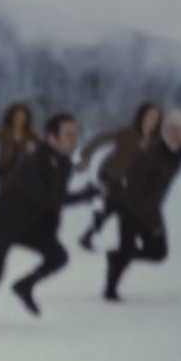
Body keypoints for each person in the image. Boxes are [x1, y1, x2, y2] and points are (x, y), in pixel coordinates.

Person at [0, 113, 100, 332]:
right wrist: (83, 195)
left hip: (29, 225)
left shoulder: (63, 163)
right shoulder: (34, 160)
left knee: (58, 257)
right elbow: (47, 199)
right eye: (68, 135)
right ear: (51, 137)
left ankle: (24, 286)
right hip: (2, 224)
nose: (74, 140)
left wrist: (89, 193)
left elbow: (54, 200)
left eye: (75, 134)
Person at [103, 109, 181, 301]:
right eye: (175, 129)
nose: (179, 134)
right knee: (127, 249)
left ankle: (116, 257)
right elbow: (134, 189)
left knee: (158, 252)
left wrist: (154, 215)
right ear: (166, 129)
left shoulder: (180, 153)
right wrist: (152, 222)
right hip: (129, 204)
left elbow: (161, 187)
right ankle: (110, 291)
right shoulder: (151, 154)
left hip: (151, 206)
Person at [75, 102, 162, 251]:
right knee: (121, 206)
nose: (152, 120)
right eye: (149, 116)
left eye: (156, 117)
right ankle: (124, 241)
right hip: (110, 172)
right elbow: (101, 138)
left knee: (114, 207)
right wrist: (85, 156)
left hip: (127, 179)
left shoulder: (155, 141)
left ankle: (88, 236)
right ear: (142, 117)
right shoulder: (128, 132)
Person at [0, 102, 38, 186]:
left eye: (22, 117)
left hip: (19, 170)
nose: (19, 119)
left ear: (26, 118)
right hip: (2, 168)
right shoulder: (3, 131)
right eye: (17, 116)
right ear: (11, 117)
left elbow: (42, 146)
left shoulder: (29, 134)